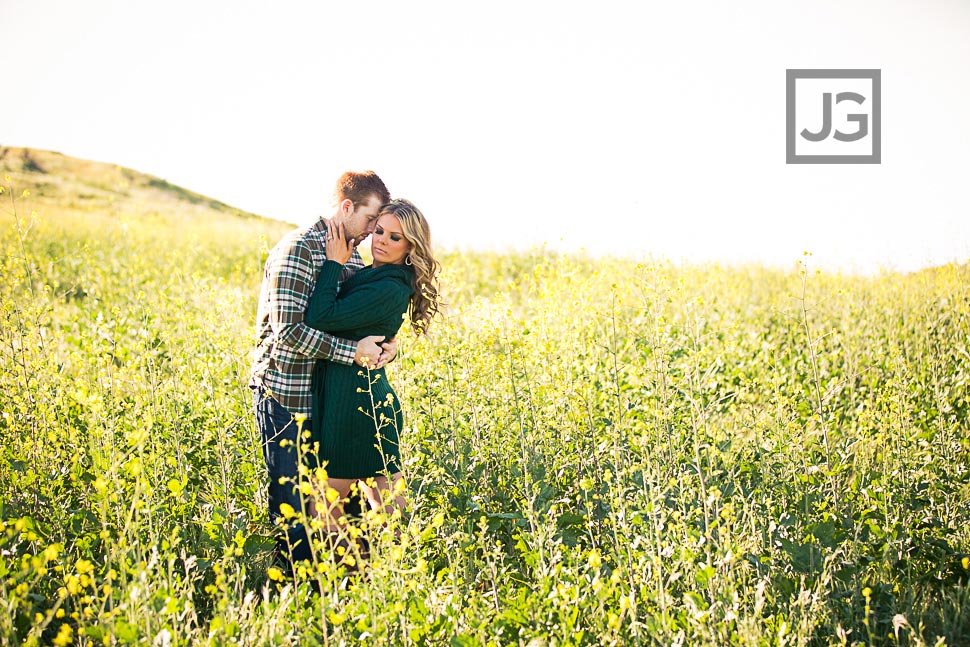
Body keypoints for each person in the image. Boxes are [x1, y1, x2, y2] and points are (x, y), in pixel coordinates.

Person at [250, 170, 395, 569]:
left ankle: (336, 590)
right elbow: (289, 334)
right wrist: (352, 353)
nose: (372, 232)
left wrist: (385, 346)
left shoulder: (350, 254)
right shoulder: (297, 248)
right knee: (293, 505)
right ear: (347, 207)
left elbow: (351, 322)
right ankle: (293, 591)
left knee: (332, 505)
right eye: (370, 220)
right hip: (287, 396)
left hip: (331, 404)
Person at [304, 199, 440, 536]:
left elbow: (321, 318)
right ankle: (386, 577)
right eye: (379, 230)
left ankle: (360, 579)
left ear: (411, 247)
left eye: (395, 237)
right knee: (387, 509)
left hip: (356, 404)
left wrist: (334, 263)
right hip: (361, 397)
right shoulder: (376, 274)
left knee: (325, 509)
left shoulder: (389, 286)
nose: (381, 240)